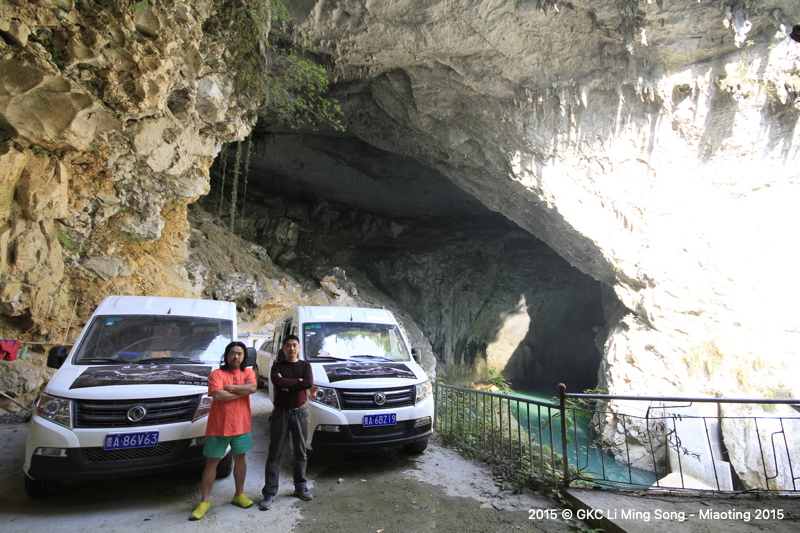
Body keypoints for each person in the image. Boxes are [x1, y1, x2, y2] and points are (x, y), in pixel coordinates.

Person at [189, 341, 258, 520]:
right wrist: (242, 391)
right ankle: (204, 501)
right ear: (227, 356)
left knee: (240, 460)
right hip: (219, 426)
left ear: (244, 357)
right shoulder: (217, 374)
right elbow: (218, 395)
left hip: (242, 425)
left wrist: (231, 388)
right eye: (233, 353)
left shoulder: (248, 372)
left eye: (240, 354)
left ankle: (239, 495)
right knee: (212, 462)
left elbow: (252, 388)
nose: (236, 357)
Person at [260, 334, 314, 510]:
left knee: (300, 452)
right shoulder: (277, 366)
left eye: (294, 345)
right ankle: (269, 491)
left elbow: (308, 383)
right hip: (280, 414)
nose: (291, 348)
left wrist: (289, 386)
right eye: (288, 345)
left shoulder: (305, 365)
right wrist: (298, 381)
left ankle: (300, 487)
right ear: (283, 349)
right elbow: (277, 382)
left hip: (300, 413)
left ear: (299, 348)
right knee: (274, 453)